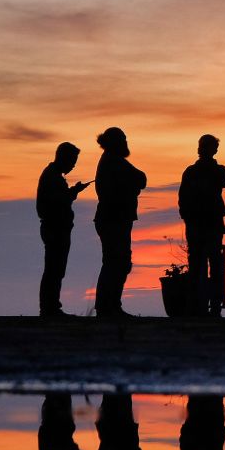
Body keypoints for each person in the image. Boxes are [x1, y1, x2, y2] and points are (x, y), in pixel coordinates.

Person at [93, 127, 147, 318]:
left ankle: (110, 305)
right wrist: (131, 187)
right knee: (116, 261)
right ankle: (108, 306)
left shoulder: (113, 161)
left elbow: (139, 180)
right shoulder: (114, 161)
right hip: (113, 219)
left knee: (118, 261)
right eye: (123, 140)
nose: (126, 143)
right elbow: (140, 179)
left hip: (116, 218)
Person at [178, 135, 225, 316]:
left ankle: (198, 305)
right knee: (211, 264)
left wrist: (187, 217)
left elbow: (182, 199)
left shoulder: (192, 172)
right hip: (209, 224)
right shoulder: (211, 171)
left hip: (198, 224)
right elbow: (224, 181)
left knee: (198, 265)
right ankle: (208, 305)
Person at [36, 143, 90, 317]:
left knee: (56, 268)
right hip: (55, 228)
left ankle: (51, 306)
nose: (73, 165)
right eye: (73, 160)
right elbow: (56, 202)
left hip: (57, 228)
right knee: (54, 268)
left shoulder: (53, 176)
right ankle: (49, 308)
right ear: (64, 158)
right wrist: (72, 192)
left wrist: (73, 191)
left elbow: (60, 199)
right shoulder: (52, 177)